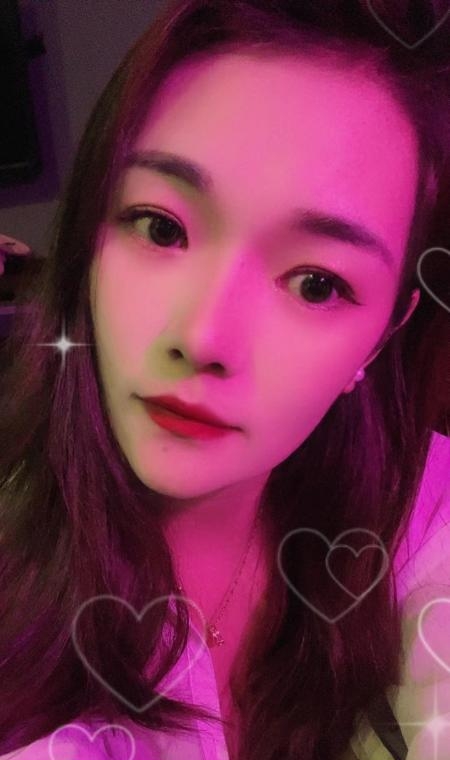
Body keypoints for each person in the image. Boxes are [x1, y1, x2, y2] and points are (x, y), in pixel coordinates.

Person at [0, 1, 449, 758]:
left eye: (316, 284)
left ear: (383, 336)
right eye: (161, 227)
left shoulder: (418, 515)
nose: (204, 338)